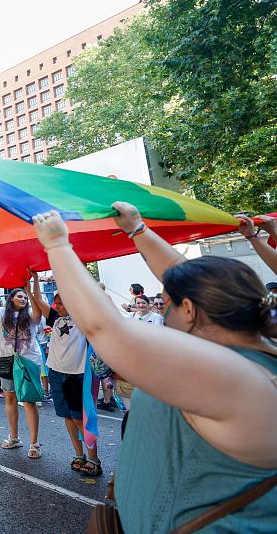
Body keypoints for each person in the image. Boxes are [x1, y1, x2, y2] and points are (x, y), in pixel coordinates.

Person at [33, 203, 277, 533]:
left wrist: (57, 246)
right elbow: (185, 275)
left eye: (168, 302)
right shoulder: (247, 353)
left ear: (188, 309)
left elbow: (106, 330)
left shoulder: (239, 378)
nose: (164, 312)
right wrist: (138, 229)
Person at [34, 290, 101, 475]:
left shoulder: (83, 319)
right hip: (56, 373)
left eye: (61, 303)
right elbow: (38, 299)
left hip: (77, 375)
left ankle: (94, 459)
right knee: (68, 417)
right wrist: (32, 280)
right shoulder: (55, 317)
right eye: (55, 302)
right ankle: (79, 455)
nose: (56, 306)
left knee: (80, 418)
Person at [0, 279, 44, 459]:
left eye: (25, 297)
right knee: (10, 398)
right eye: (20, 296)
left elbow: (38, 316)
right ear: (11, 299)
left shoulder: (31, 313)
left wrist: (30, 292)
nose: (23, 299)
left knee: (29, 401)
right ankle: (14, 437)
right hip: (7, 360)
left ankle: (34, 443)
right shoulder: (2, 313)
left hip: (28, 361)